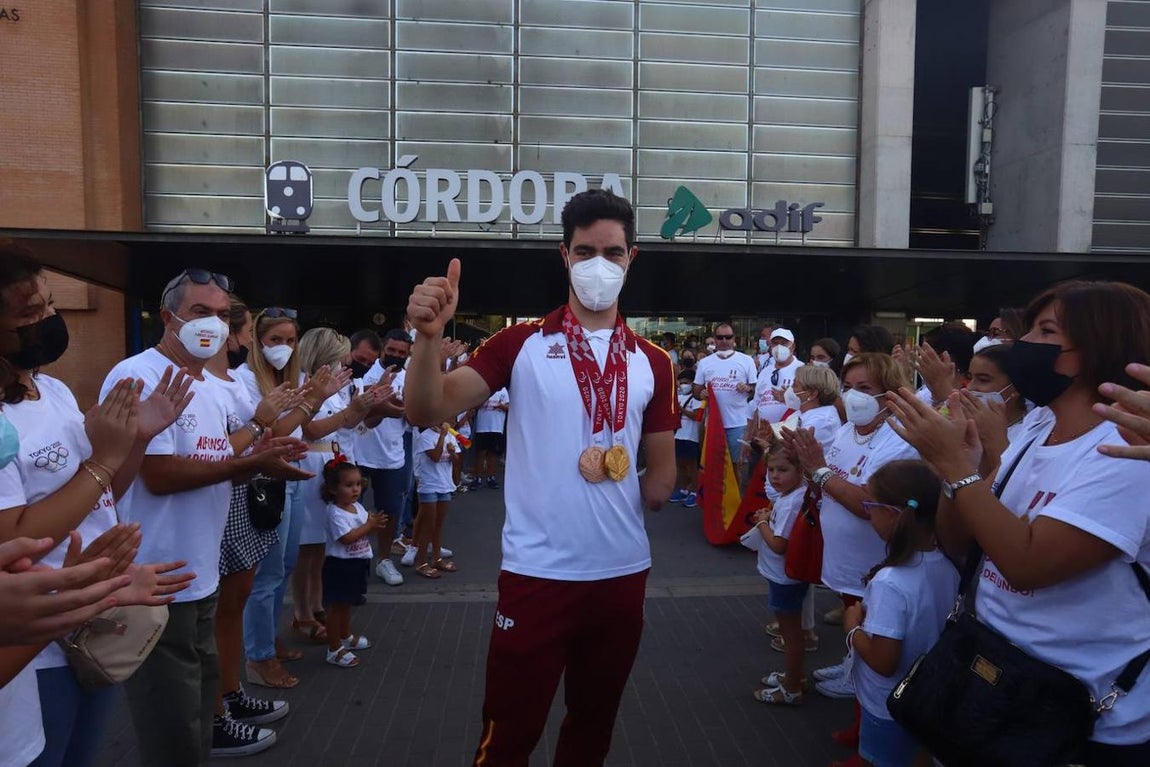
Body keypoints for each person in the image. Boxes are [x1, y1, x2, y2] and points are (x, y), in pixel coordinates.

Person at [404, 189, 678, 765]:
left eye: (612, 252)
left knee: (593, 726)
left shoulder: (653, 361)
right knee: (509, 732)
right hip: (537, 573)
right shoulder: (521, 342)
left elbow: (661, 474)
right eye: (585, 251)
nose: (599, 264)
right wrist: (427, 341)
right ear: (564, 256)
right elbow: (428, 408)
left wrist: (644, 483)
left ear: (632, 258)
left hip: (621, 573)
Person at [887, 280, 1150, 766]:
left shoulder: (1128, 448)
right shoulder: (1038, 425)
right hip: (993, 676)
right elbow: (960, 540)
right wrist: (961, 472)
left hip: (1080, 714)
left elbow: (1026, 564)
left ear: (1101, 346)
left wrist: (956, 469)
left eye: (1046, 331)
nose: (1023, 344)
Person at [100, 268, 310, 766]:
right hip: (156, 578)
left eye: (220, 315)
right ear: (167, 317)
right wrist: (247, 465)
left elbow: (219, 461)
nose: (212, 325)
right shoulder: (139, 375)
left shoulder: (210, 386)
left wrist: (262, 456)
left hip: (202, 573)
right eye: (199, 312)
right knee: (172, 725)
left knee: (198, 715)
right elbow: (159, 475)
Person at [0, 247, 197, 767]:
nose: (49, 320)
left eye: (49, 304)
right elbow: (14, 534)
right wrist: (103, 461)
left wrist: (133, 442)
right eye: (30, 313)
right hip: (34, 640)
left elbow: (104, 495)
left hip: (93, 612)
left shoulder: (53, 390)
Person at [785, 352, 918, 758]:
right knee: (857, 634)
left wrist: (819, 470)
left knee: (878, 649)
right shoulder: (848, 431)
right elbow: (824, 480)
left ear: (890, 394)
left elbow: (867, 503)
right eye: (848, 387)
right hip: (846, 562)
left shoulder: (899, 440)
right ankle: (859, 709)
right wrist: (806, 464)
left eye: (865, 388)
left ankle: (873, 736)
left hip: (876, 564)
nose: (853, 396)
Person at [237, 307, 349, 689]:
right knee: (267, 575)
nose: (283, 347)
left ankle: (269, 640)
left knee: (285, 566)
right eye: (275, 340)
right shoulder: (246, 381)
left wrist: (313, 399)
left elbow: (298, 426)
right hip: (266, 481)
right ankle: (258, 657)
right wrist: (310, 402)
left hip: (292, 477)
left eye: (289, 340)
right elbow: (272, 432)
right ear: (258, 342)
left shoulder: (290, 379)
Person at [206, 295, 297, 757]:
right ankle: (215, 713)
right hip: (218, 505)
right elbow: (224, 450)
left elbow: (259, 437)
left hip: (241, 497)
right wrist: (261, 427)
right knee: (215, 611)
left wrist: (266, 437)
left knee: (234, 602)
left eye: (225, 318)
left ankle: (230, 692)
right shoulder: (213, 382)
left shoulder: (226, 382)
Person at [845, 460, 958, 767]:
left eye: (870, 506)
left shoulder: (890, 583)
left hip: (887, 704)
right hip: (924, 697)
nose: (868, 513)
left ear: (891, 514)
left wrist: (853, 629)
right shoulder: (946, 565)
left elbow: (884, 662)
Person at [291, 328, 382, 649]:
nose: (345, 363)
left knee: (322, 545)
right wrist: (347, 413)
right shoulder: (304, 383)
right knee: (307, 547)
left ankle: (317, 604)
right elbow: (311, 428)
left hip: (331, 461)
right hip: (310, 463)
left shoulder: (336, 385)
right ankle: (302, 612)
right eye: (340, 356)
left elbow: (347, 423)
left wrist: (362, 406)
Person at [747, 443, 811, 706]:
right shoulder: (793, 495)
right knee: (791, 632)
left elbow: (778, 544)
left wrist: (762, 522)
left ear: (800, 469)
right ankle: (794, 675)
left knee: (790, 635)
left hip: (784, 578)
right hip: (785, 576)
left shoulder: (790, 502)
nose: (775, 476)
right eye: (771, 469)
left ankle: (792, 687)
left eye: (782, 470)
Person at [358, 329, 413, 586]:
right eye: (392, 350)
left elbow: (415, 416)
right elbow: (364, 413)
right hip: (359, 453)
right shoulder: (366, 371)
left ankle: (383, 560)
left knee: (389, 511)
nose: (396, 356)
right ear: (383, 348)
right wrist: (382, 403)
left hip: (392, 455)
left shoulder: (410, 377)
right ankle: (353, 558)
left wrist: (402, 407)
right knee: (351, 511)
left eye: (402, 352)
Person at [320, 456, 383, 669]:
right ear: (333, 489)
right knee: (336, 607)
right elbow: (346, 538)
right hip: (340, 566)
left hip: (357, 562)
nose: (355, 489)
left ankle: (345, 635)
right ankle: (334, 648)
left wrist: (374, 523)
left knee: (347, 604)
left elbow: (364, 526)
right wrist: (369, 526)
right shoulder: (334, 512)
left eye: (358, 484)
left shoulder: (357, 507)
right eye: (349, 485)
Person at [693, 322, 756, 464]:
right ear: (714, 339)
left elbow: (756, 390)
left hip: (738, 423)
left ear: (734, 338)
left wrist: (748, 388)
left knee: (737, 465)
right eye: (720, 337)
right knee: (714, 466)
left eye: (728, 337)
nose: (724, 341)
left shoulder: (746, 361)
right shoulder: (705, 362)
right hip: (713, 424)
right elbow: (696, 390)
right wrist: (701, 393)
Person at [743, 328, 803, 465]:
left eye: (784, 343)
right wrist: (748, 438)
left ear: (793, 346)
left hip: (786, 441)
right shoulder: (765, 372)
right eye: (775, 343)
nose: (779, 347)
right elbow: (756, 406)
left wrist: (788, 399)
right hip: (762, 438)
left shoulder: (801, 370)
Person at [410, 423, 460, 578]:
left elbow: (456, 461)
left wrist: (452, 453)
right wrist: (442, 437)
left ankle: (437, 559)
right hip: (429, 485)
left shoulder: (451, 436)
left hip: (445, 485)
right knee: (428, 525)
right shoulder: (425, 436)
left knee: (438, 524)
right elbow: (435, 457)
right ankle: (422, 563)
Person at [670, 369, 702, 508]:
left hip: (691, 436)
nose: (683, 385)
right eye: (681, 382)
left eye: (686, 382)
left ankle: (695, 492)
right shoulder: (678, 396)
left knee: (691, 466)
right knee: (680, 464)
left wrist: (681, 410)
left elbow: (697, 416)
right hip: (678, 435)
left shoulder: (696, 399)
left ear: (692, 383)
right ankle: (683, 489)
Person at [472, 387, 509, 489]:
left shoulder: (503, 391)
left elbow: (508, 407)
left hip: (497, 427)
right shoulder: (483, 389)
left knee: (493, 453)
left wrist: (501, 406)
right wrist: (483, 402)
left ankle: (491, 477)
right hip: (482, 427)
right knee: (480, 453)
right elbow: (474, 405)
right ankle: (477, 478)